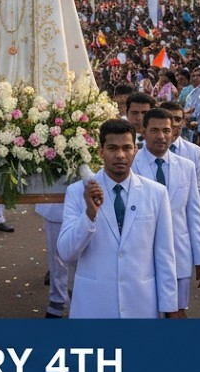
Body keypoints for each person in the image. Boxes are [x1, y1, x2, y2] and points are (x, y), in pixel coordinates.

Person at [58, 119, 179, 318]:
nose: (120, 155)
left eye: (126, 148)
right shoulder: (77, 192)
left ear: (136, 151)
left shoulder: (156, 193)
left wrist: (170, 307)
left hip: (141, 304)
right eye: (112, 148)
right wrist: (89, 215)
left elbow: (165, 255)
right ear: (100, 152)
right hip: (94, 305)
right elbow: (66, 253)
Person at [133, 109, 200, 316]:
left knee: (177, 312)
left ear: (174, 130)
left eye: (166, 130)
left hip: (179, 253)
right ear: (143, 131)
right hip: (142, 257)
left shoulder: (186, 167)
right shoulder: (131, 165)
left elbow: (194, 215)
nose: (161, 136)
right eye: (154, 130)